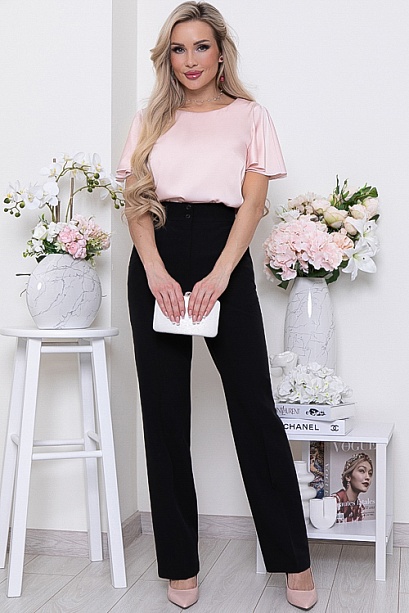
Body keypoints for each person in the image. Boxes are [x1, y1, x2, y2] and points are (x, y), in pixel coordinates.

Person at [116, 2, 317, 610]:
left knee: (254, 407)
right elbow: (136, 201)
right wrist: (155, 269)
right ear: (167, 57)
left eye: (201, 46)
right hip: (156, 253)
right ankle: (179, 564)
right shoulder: (150, 119)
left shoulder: (250, 116)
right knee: (164, 415)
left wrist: (221, 275)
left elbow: (252, 204)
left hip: (223, 250)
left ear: (221, 52)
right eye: (179, 49)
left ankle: (293, 558)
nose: (190, 60)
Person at [333, 453, 374, 522]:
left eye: (370, 473)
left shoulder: (360, 508)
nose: (368, 477)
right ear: (348, 477)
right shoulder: (334, 501)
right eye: (362, 471)